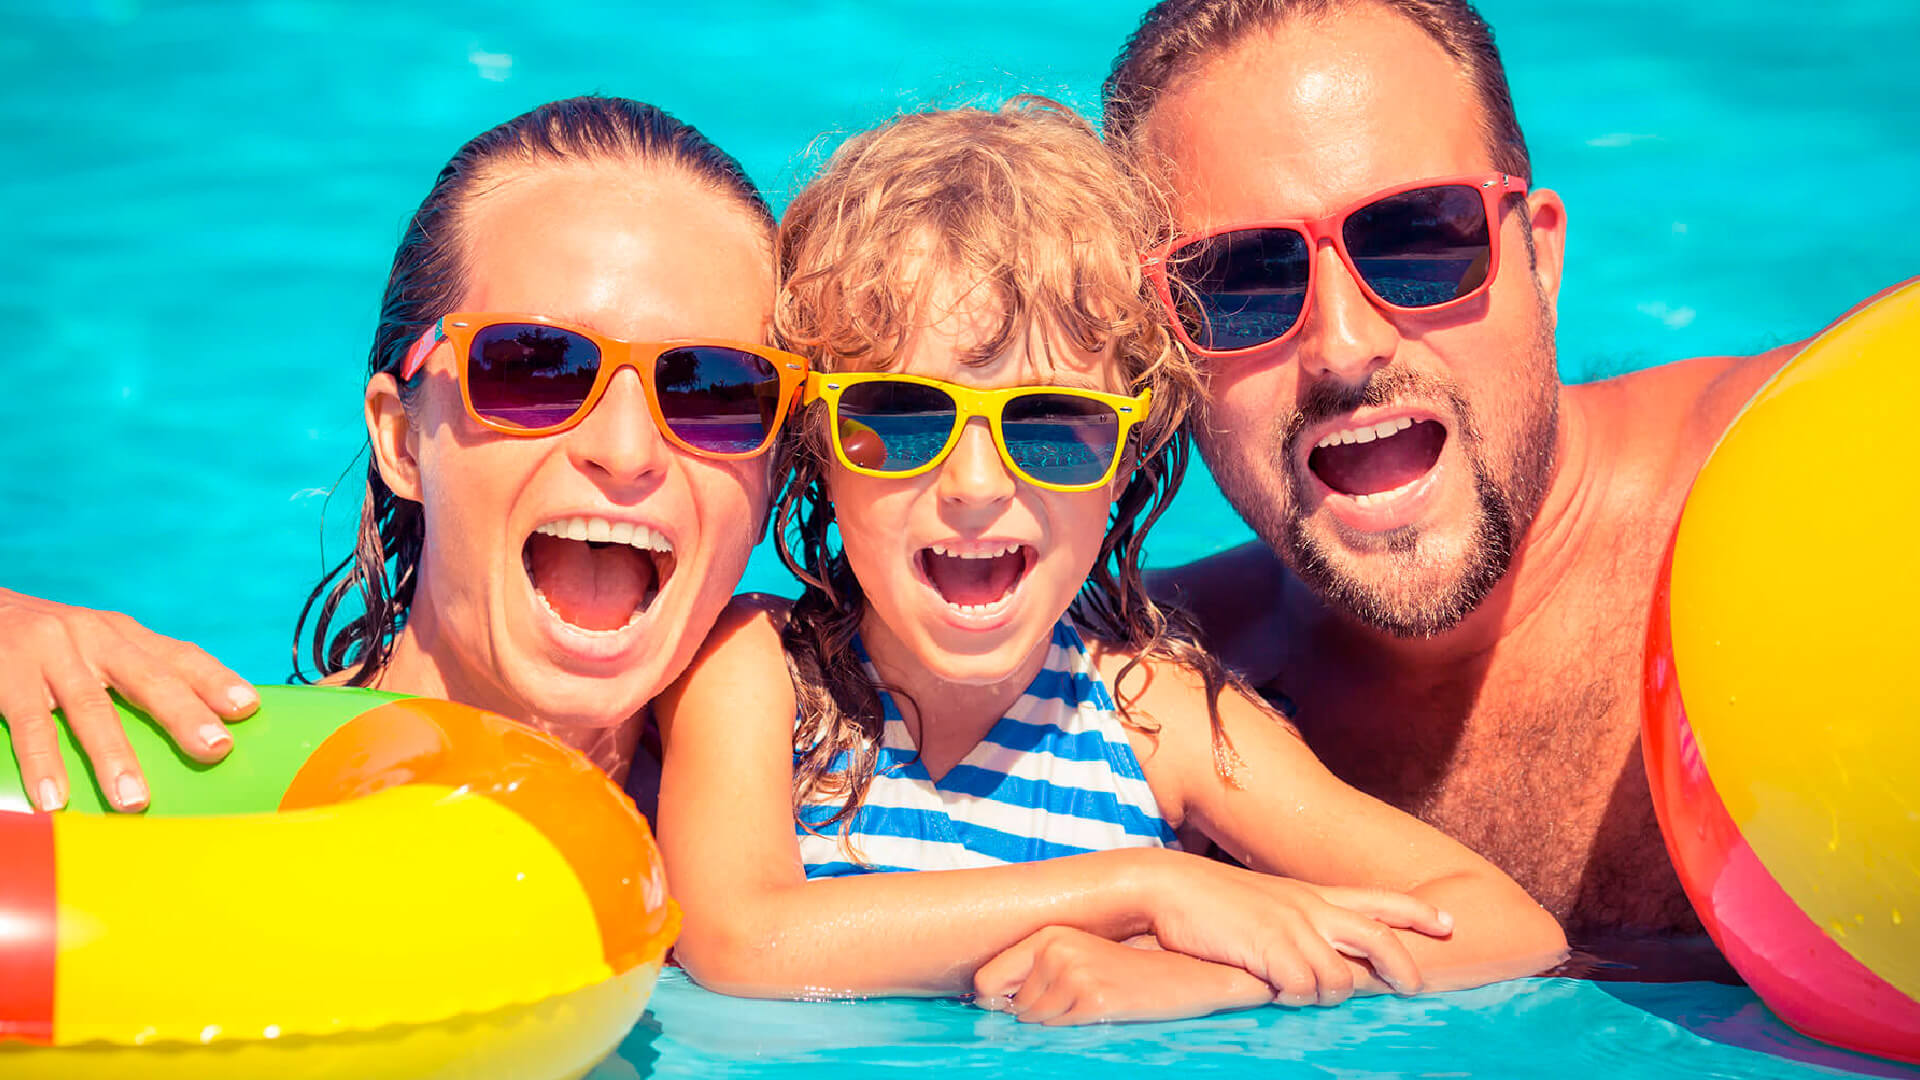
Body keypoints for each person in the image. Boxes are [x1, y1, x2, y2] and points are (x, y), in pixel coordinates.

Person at [658, 98, 1565, 1025]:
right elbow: (743, 939)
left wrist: (1219, 977)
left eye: (1052, 427)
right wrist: (1143, 889)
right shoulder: (760, 678)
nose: (975, 485)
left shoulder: (1150, 717)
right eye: (901, 417)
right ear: (818, 444)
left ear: (1129, 454)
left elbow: (1506, 925)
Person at [1101, 0, 1911, 933]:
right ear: (1163, 351)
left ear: (1544, 256)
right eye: (1240, 283)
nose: (1344, 345)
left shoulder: (1807, 477)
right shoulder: (1143, 691)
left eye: (1417, 238)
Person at [0, 96, 799, 813]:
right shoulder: (208, 798)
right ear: (400, 437)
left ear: (772, 477)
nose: (626, 451)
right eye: (533, 367)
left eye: (715, 392)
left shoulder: (837, 849)